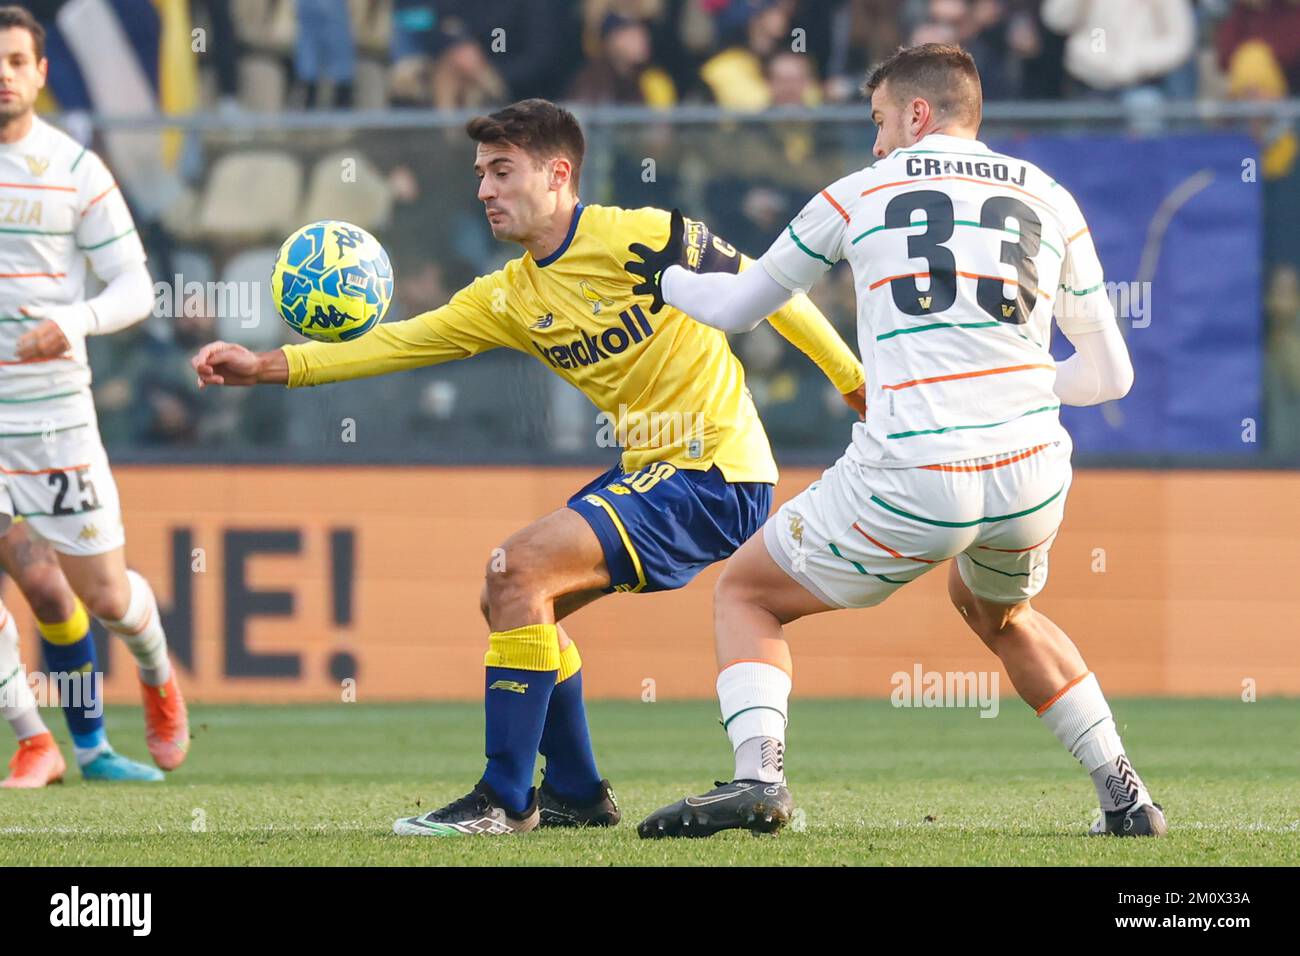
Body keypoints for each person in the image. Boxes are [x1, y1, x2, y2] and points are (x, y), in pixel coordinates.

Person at [191, 97, 865, 837]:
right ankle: (575, 790)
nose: (484, 189)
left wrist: (850, 381)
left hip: (714, 468)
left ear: (559, 173)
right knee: (509, 595)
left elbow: (770, 291)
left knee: (519, 569)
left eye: (502, 171)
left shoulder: (643, 235)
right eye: (481, 174)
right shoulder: (511, 295)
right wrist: (266, 364)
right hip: (654, 470)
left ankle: (505, 799)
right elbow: (401, 342)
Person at [626, 43, 1163, 839]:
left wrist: (667, 277)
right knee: (1000, 614)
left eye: (879, 121)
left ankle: (759, 780)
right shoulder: (1050, 196)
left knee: (746, 593)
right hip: (1031, 477)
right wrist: (1007, 384)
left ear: (917, 113)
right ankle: (1126, 796)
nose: (876, 142)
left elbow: (738, 307)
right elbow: (1111, 376)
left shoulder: (858, 192)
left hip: (915, 470)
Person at [0, 5, 189, 786]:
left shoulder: (75, 168)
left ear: (41, 74)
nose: (2, 75)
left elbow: (137, 288)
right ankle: (34, 738)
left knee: (105, 592)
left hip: (53, 415)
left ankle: (154, 669)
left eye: (16, 60)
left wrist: (73, 321)